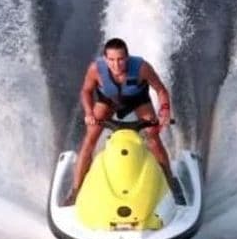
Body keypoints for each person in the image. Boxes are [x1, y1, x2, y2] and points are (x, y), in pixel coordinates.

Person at [66, 37, 176, 205]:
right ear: (105, 58)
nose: (116, 65)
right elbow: (86, 91)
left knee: (153, 139)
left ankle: (171, 182)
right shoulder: (95, 69)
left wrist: (165, 111)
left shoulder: (142, 68)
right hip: (107, 102)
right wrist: (89, 113)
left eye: (120, 59)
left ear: (127, 57)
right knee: (89, 141)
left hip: (138, 100)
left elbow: (160, 90)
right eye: (111, 60)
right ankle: (76, 191)